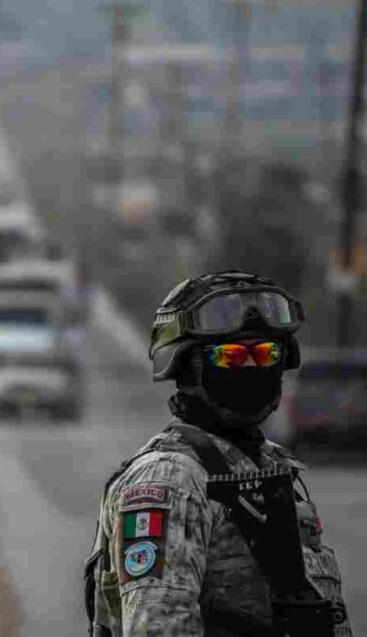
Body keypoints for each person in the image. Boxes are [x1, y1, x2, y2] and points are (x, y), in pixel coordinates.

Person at [85, 271, 353, 636]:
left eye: (264, 353)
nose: (251, 367)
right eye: (230, 356)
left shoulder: (269, 465)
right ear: (186, 365)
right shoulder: (172, 478)